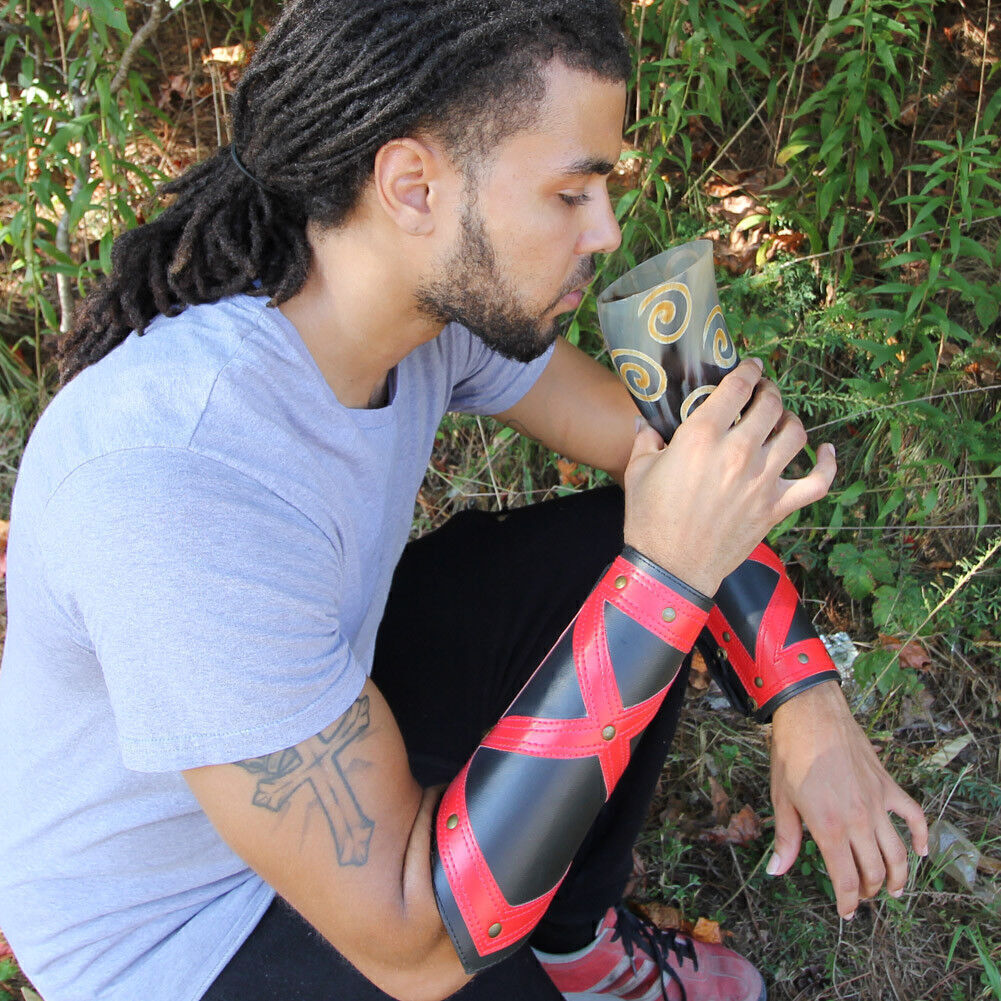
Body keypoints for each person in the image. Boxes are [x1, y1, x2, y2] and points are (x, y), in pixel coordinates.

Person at [0, 3, 929, 1000]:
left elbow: (670, 459)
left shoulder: (417, 308)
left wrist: (804, 695)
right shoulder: (177, 478)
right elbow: (413, 944)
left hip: (327, 722)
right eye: (569, 193)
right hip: (178, 923)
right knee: (641, 589)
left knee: (616, 543)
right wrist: (666, 581)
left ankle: (571, 940)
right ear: (412, 186)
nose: (605, 230)